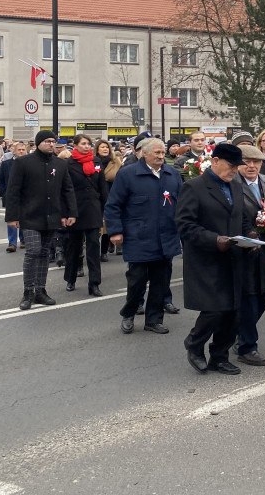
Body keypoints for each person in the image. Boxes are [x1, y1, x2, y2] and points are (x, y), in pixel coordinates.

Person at [175, 142, 253, 375]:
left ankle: (219, 356)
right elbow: (185, 225)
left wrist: (250, 234)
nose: (234, 171)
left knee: (233, 311)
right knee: (214, 309)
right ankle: (195, 344)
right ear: (215, 161)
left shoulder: (236, 186)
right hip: (207, 259)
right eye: (231, 166)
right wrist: (214, 239)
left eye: (237, 166)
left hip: (234, 257)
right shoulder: (194, 187)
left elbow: (242, 217)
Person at [104, 137, 182, 335]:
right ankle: (129, 314)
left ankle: (154, 320)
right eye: (157, 153)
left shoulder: (172, 174)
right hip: (138, 237)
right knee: (137, 280)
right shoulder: (128, 174)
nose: (161, 156)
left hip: (166, 237)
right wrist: (115, 231)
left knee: (160, 282)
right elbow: (113, 205)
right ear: (144, 153)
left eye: (163, 153)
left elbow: (182, 204)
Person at [5, 130, 77, 309]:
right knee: (33, 250)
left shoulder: (60, 164)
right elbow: (13, 190)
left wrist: (71, 213)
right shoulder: (23, 163)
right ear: (38, 143)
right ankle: (27, 291)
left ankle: (40, 291)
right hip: (29, 215)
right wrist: (12, 216)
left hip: (51, 215)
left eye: (53, 141)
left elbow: (67, 190)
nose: (51, 144)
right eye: (47, 141)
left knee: (44, 252)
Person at [233, 144, 265, 366]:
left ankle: (239, 331)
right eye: (247, 162)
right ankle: (247, 346)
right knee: (249, 296)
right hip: (245, 247)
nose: (251, 166)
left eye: (256, 162)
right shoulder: (232, 184)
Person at [63, 134, 107, 296]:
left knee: (93, 247)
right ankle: (71, 278)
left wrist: (105, 208)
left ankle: (94, 283)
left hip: (93, 208)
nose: (87, 146)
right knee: (74, 247)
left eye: (88, 143)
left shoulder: (96, 162)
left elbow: (102, 187)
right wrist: (66, 211)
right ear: (75, 145)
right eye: (83, 143)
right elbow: (65, 189)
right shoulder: (68, 164)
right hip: (75, 210)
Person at [0, 141, 28, 252]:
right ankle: (12, 243)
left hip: (26, 196)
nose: (21, 151)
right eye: (19, 150)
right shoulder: (6, 164)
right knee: (11, 218)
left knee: (24, 218)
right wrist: (3, 193)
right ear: (13, 151)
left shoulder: (30, 163)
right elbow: (1, 180)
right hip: (11, 196)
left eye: (23, 149)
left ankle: (24, 239)